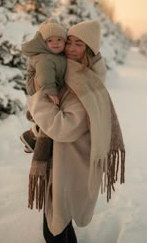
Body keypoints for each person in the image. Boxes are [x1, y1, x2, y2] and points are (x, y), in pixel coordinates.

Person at [27, 20, 126, 243]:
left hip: (70, 166)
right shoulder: (71, 73)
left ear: (89, 49)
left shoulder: (85, 84)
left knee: (54, 230)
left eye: (78, 44)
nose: (70, 48)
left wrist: (37, 100)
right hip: (63, 162)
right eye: (69, 41)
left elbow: (63, 127)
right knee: (60, 227)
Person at [20, 18, 67, 153]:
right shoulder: (45, 57)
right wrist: (51, 91)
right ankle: (32, 136)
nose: (55, 43)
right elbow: (44, 75)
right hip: (40, 86)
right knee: (50, 114)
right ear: (44, 43)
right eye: (50, 41)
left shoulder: (56, 55)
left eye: (59, 40)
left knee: (49, 115)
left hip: (46, 85)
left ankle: (33, 135)